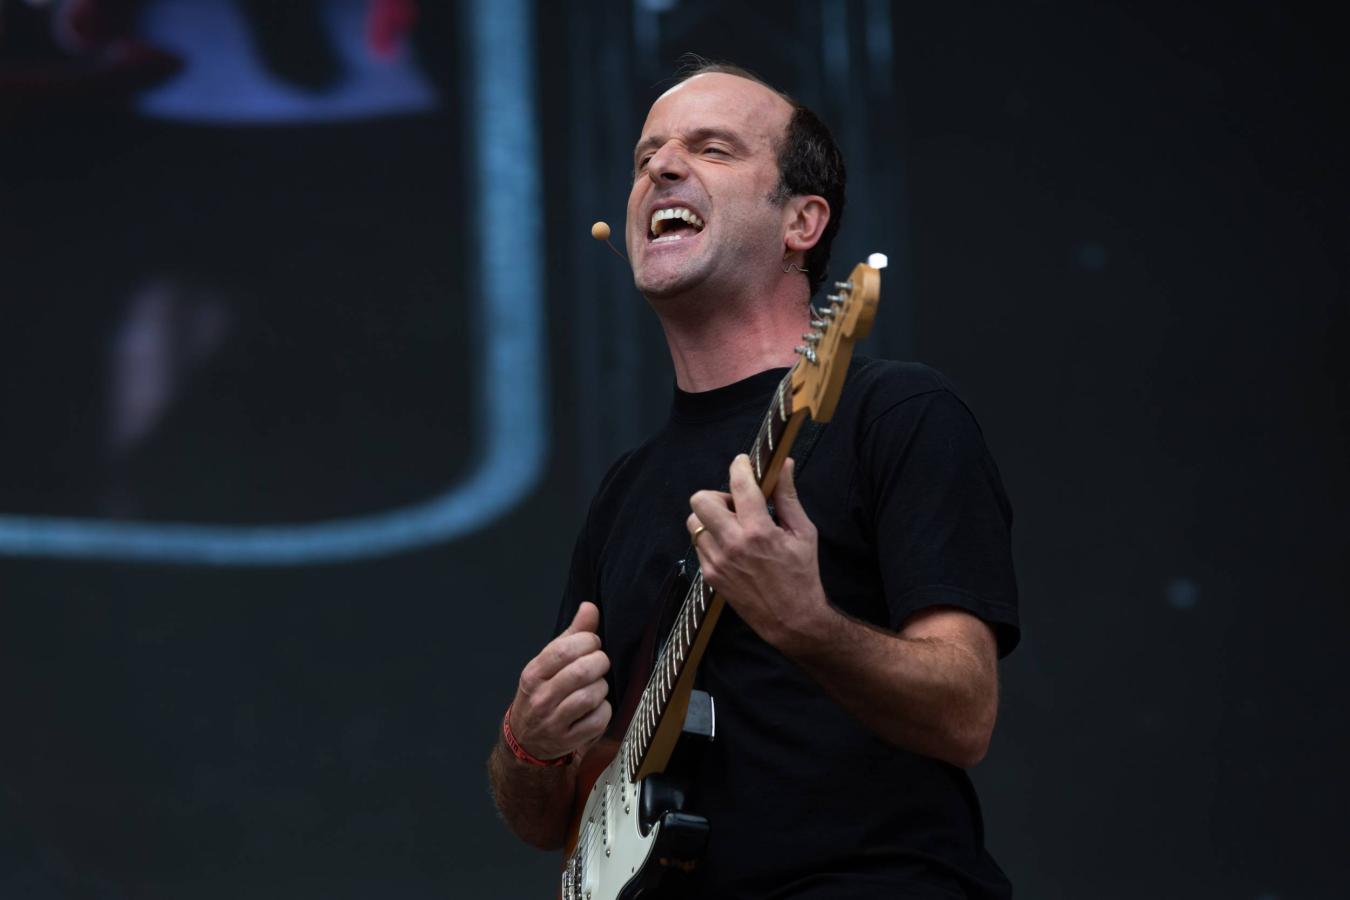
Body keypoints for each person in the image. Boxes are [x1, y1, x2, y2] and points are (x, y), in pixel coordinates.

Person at [487, 60, 1020, 898]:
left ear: (802, 221)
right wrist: (531, 744)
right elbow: (555, 819)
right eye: (646, 157)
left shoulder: (895, 412)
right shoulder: (625, 490)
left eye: (712, 149)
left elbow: (966, 712)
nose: (662, 168)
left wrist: (808, 624)